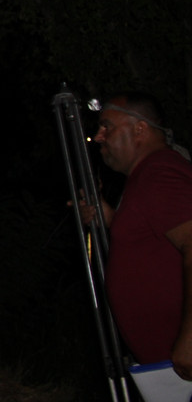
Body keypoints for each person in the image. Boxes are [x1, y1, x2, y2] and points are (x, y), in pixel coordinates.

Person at [88, 93, 192, 379]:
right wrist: (108, 218)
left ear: (140, 129)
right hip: (164, 367)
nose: (99, 137)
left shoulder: (160, 173)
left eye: (107, 126)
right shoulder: (146, 176)